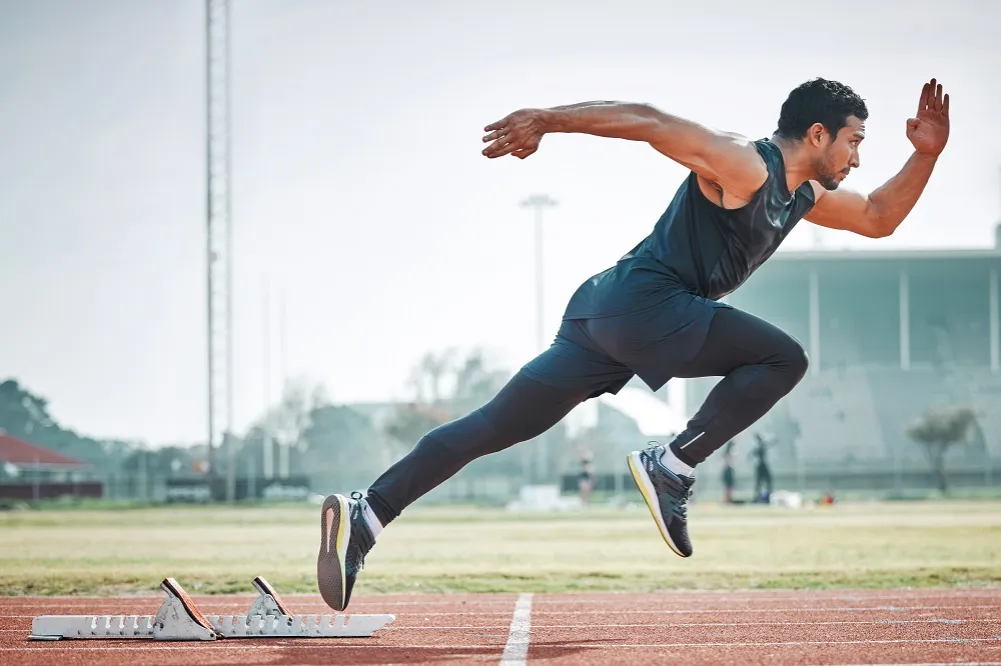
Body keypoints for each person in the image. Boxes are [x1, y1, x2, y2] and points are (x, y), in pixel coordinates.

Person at [316, 78, 951, 611]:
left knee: (494, 426)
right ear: (817, 134)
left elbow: (878, 218)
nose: (857, 159)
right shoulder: (746, 165)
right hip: (649, 305)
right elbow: (649, 121)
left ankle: (367, 513)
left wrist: (926, 155)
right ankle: (670, 466)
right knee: (783, 357)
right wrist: (546, 119)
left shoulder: (803, 194)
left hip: (608, 313)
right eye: (854, 141)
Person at [750, 433, 774, 503]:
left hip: (762, 466)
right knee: (760, 483)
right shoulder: (760, 446)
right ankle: (758, 498)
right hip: (761, 466)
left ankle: (765, 497)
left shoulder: (761, 446)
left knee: (763, 483)